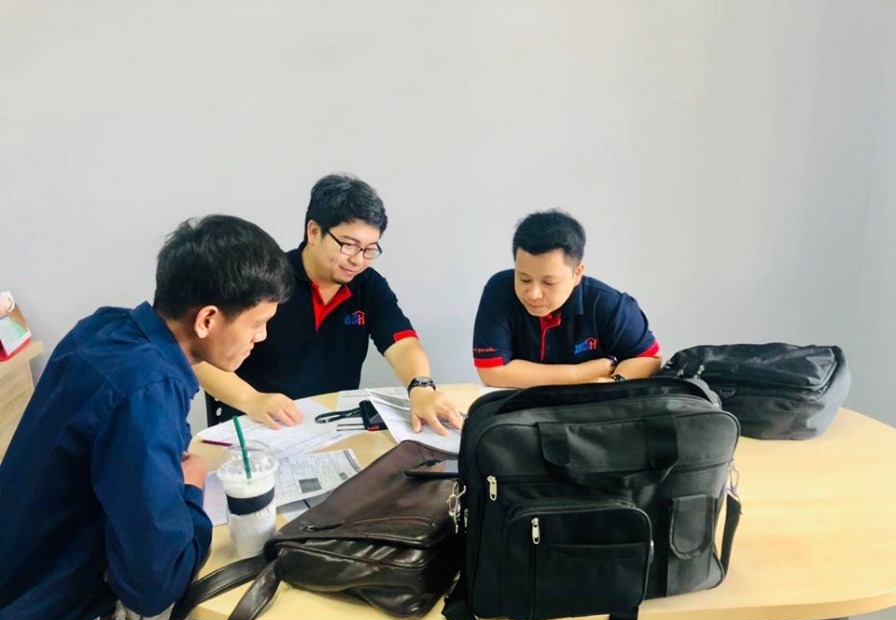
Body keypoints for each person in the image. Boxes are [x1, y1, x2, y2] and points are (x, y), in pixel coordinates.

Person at [0, 215, 294, 620]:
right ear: (208, 319)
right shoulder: (146, 392)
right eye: (258, 323)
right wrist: (191, 489)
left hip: (18, 580)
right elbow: (154, 586)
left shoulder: (104, 329)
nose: (262, 337)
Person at [195, 173, 464, 435]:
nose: (358, 260)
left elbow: (403, 344)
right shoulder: (265, 279)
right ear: (314, 232)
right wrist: (251, 399)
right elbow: (200, 357)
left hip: (332, 426)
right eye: (349, 245)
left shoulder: (368, 285)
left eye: (370, 249)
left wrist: (421, 387)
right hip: (260, 425)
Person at [472, 210, 661, 387]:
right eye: (524, 279)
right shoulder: (499, 290)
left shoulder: (609, 305)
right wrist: (580, 373)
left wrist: (612, 384)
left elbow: (649, 359)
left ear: (577, 273)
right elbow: (491, 372)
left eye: (549, 282)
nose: (533, 294)